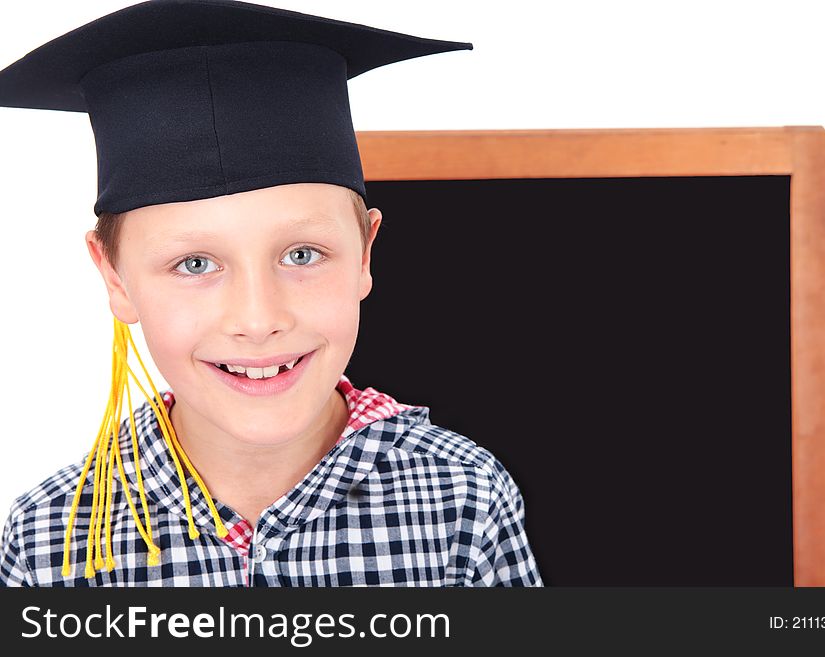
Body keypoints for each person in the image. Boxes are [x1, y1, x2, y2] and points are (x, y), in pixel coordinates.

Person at [0, 0, 542, 587]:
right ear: (115, 278)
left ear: (365, 254)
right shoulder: (49, 541)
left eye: (301, 255)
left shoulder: (463, 499)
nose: (258, 320)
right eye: (195, 263)